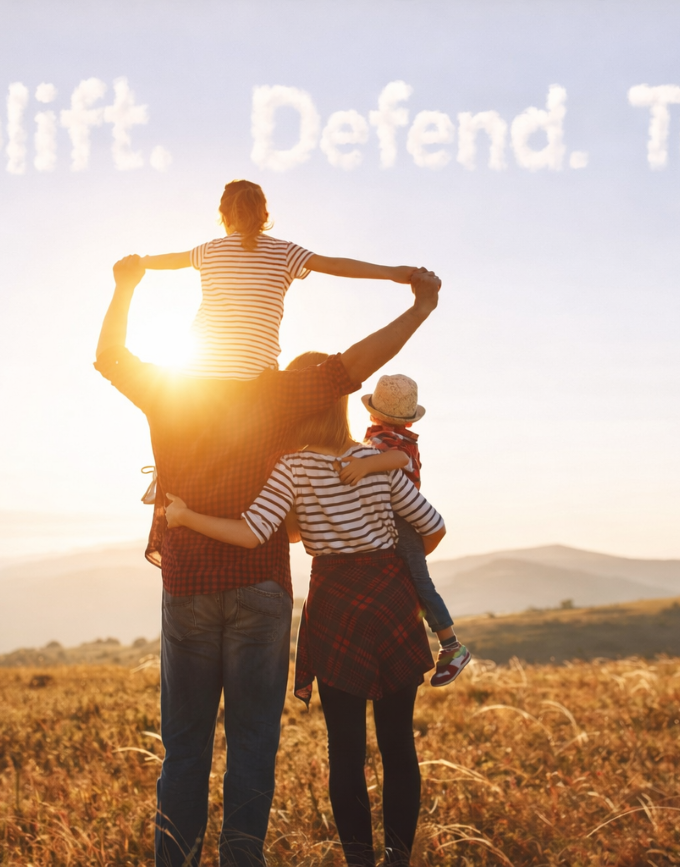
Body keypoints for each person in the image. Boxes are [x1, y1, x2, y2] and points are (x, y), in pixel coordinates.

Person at [94, 255, 441, 867]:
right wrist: (417, 307)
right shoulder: (280, 392)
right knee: (253, 744)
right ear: (264, 324)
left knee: (184, 747)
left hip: (188, 586)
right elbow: (355, 365)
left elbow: (111, 357)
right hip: (261, 587)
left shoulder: (170, 388)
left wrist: (125, 289)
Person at [163, 355, 445, 867]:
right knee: (400, 744)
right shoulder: (375, 458)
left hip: (336, 602)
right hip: (391, 598)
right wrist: (390, 570)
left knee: (346, 751)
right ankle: (398, 860)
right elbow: (433, 526)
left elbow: (251, 533)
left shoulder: (292, 466)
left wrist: (185, 516)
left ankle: (359, 860)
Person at [140, 179, 420, 379]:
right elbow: (335, 266)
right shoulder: (285, 251)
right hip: (254, 376)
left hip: (197, 372)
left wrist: (140, 263)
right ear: (265, 215)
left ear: (224, 217)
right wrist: (393, 273)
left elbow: (172, 260)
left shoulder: (210, 249)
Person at [337, 373, 471, 686]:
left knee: (419, 583)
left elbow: (397, 460)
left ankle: (451, 646)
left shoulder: (389, 441)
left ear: (371, 411)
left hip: (404, 521)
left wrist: (364, 466)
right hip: (397, 519)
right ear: (409, 419)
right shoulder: (390, 436)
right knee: (407, 584)